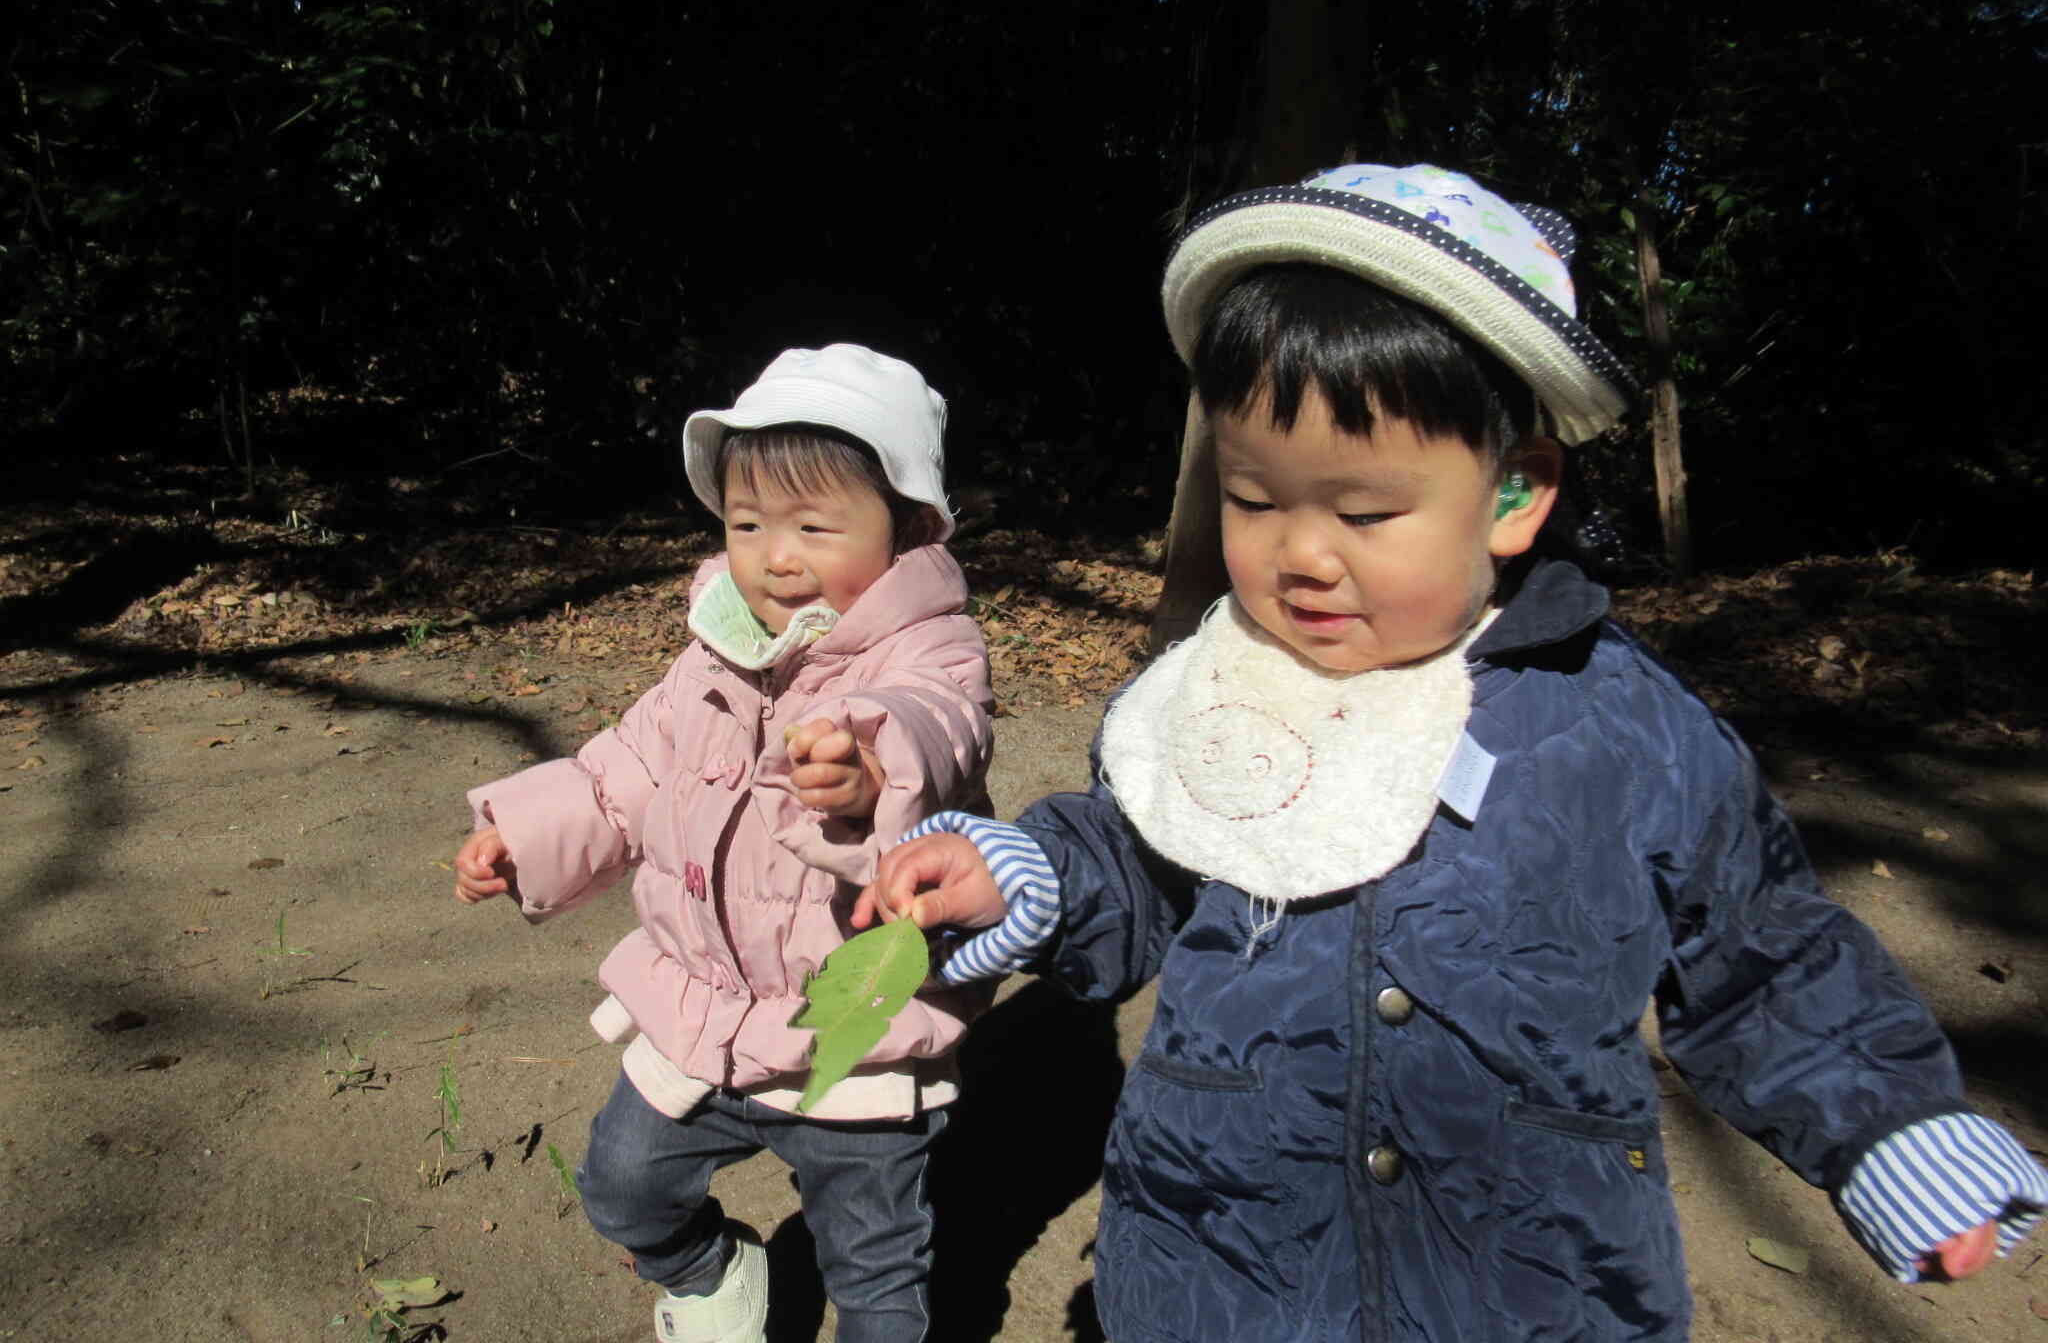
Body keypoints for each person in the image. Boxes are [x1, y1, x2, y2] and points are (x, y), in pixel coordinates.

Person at [854, 165, 2048, 1342]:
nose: (1299, 554)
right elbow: (1139, 852)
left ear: (1511, 498)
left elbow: (1761, 954)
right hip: (1223, 1270)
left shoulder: (1623, 731)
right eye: (1257, 497)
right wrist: (1027, 873)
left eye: (1364, 513)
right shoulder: (1220, 689)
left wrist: (1888, 1125)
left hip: (1530, 1282)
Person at [454, 343, 995, 1343]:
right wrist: (521, 835)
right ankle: (710, 1275)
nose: (773, 555)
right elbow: (622, 772)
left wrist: (869, 762)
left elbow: (937, 722)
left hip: (853, 1038)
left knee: (877, 1274)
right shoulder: (714, 652)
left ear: (909, 528)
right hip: (700, 1011)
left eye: (813, 526)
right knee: (621, 1190)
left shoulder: (932, 650)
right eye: (746, 524)